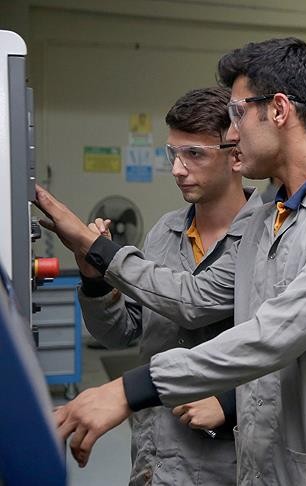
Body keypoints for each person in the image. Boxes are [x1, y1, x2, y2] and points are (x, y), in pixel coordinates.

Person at [41, 37, 306, 485]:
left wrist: (131, 389)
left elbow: (274, 335)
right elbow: (198, 299)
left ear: (278, 110)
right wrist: (94, 257)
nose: (231, 133)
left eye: (237, 113)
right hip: (260, 464)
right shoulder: (268, 220)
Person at [76, 86, 260, 485]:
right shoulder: (164, 232)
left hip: (228, 462)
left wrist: (230, 403)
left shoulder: (266, 238)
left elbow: (287, 350)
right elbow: (121, 332)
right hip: (153, 456)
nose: (178, 169)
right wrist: (94, 282)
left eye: (194, 153)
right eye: (172, 154)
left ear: (236, 155)